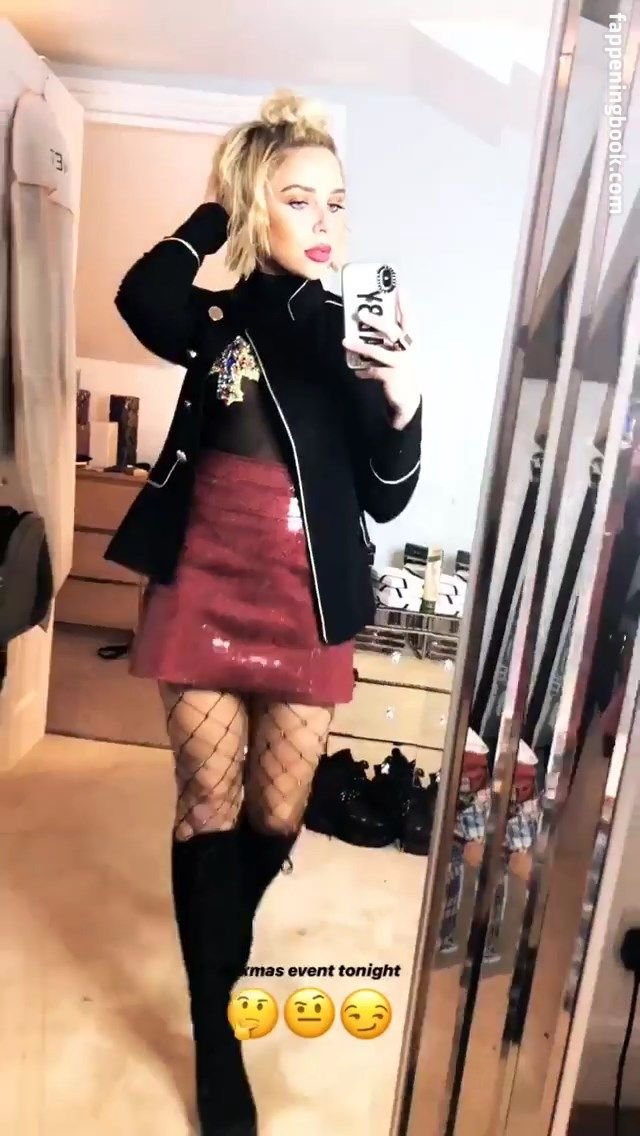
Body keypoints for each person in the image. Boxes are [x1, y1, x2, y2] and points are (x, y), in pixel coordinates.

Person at [105, 90, 422, 1136]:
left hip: (306, 593)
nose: (324, 220)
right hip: (204, 576)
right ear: (257, 207)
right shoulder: (213, 320)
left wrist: (404, 400)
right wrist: (219, 210)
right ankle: (216, 1035)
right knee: (208, 796)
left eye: (337, 200)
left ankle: (213, 955)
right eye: (297, 198)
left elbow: (386, 495)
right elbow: (143, 292)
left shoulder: (349, 332)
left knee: (276, 815)